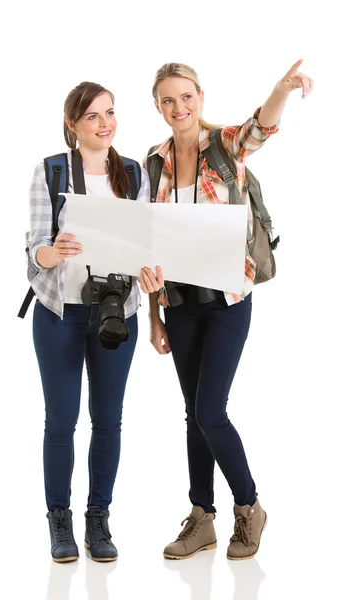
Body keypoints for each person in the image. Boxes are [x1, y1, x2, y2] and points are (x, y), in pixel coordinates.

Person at [145, 60, 313, 560]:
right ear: (157, 106)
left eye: (186, 97)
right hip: (178, 302)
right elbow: (149, 237)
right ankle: (202, 517)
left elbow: (262, 125)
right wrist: (155, 316)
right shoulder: (153, 161)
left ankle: (249, 507)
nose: (179, 108)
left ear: (201, 97)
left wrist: (280, 90)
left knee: (209, 411)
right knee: (192, 414)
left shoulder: (225, 146)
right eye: (168, 100)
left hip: (227, 301)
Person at [28, 81, 162, 563]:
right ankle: (58, 519)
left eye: (110, 113)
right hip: (60, 314)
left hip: (116, 309)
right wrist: (52, 249)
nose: (105, 124)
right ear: (73, 125)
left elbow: (146, 241)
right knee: (61, 422)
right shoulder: (50, 171)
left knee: (108, 422)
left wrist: (149, 276)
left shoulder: (133, 173)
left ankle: (97, 518)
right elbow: (34, 251)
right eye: (93, 117)